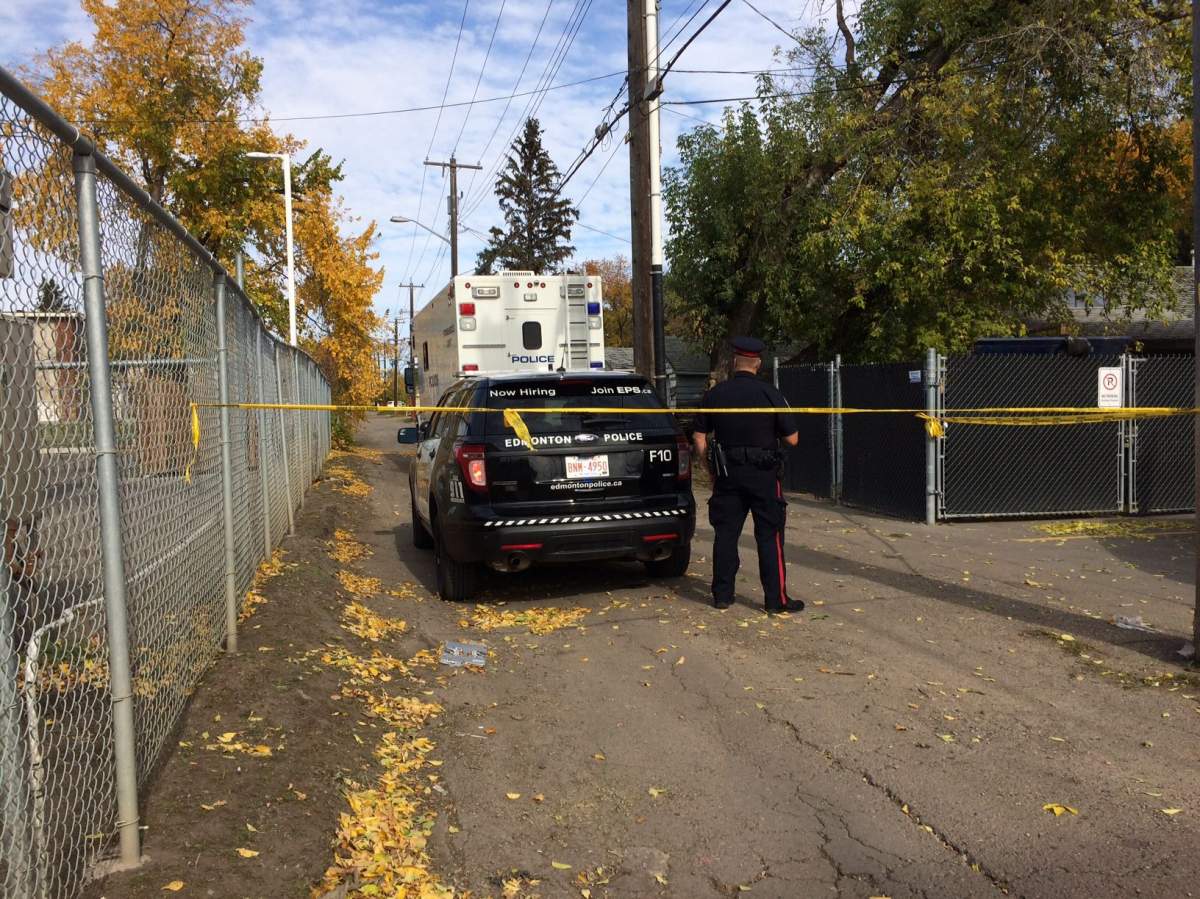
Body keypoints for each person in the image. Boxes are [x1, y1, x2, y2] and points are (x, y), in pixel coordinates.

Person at [692, 337, 801, 613]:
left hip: (728, 474)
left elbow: (699, 438)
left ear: (734, 363)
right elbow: (793, 439)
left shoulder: (715, 394)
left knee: (726, 535)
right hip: (764, 475)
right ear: (758, 364)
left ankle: (722, 596)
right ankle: (775, 601)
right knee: (769, 536)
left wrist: (711, 469)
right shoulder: (770, 394)